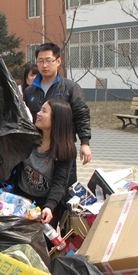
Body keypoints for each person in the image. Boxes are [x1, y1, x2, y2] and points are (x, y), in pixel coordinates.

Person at [23, 42, 92, 185]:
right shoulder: (30, 91)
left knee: (64, 185)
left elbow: (81, 115)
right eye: (40, 61)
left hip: (63, 147)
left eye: (49, 60)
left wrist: (85, 143)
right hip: (38, 149)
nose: (44, 65)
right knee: (38, 185)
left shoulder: (70, 88)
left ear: (58, 61)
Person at [10, 99, 76, 227]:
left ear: (56, 119)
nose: (38, 113)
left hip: (45, 206)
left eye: (44, 111)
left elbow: (59, 183)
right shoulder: (29, 139)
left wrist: (49, 206)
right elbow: (11, 163)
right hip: (20, 201)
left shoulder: (65, 151)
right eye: (40, 109)